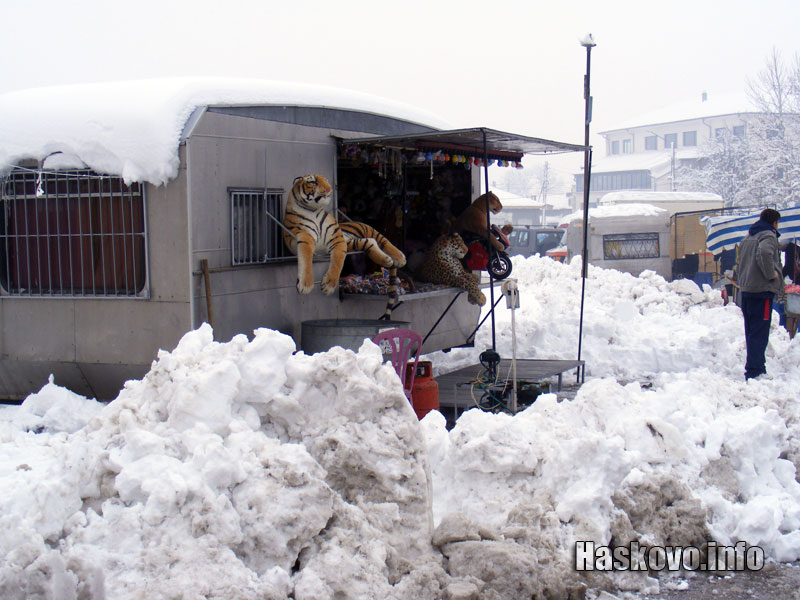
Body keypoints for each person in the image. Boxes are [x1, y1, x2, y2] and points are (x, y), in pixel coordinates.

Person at [736, 208, 783, 380]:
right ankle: (755, 370)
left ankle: (754, 366)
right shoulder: (768, 235)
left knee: (751, 330)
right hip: (762, 291)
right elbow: (764, 253)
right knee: (760, 331)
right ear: (774, 222)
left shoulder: (749, 237)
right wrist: (771, 274)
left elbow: (741, 261)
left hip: (747, 290)